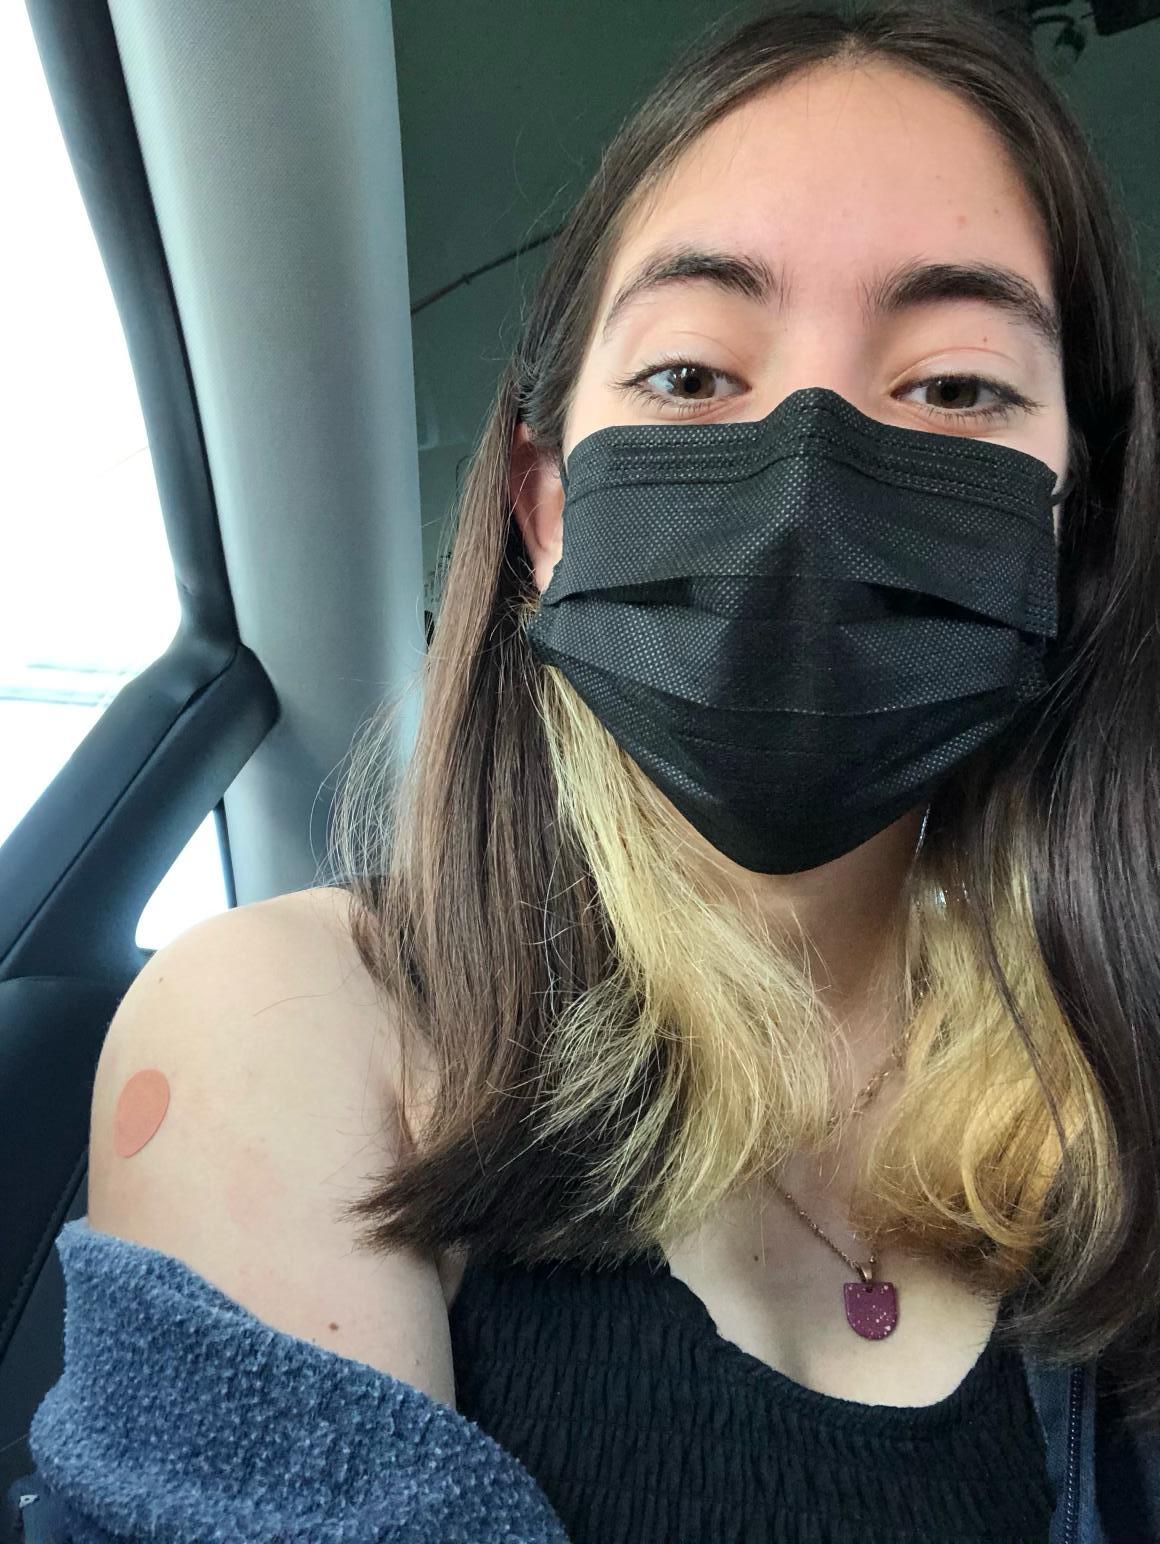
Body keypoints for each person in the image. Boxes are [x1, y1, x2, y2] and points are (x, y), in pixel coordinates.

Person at [10, 2, 1160, 1541]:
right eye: (688, 375)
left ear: (1074, 530)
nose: (808, 475)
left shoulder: (1116, 1095)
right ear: (546, 511)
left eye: (955, 388)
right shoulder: (308, 1024)